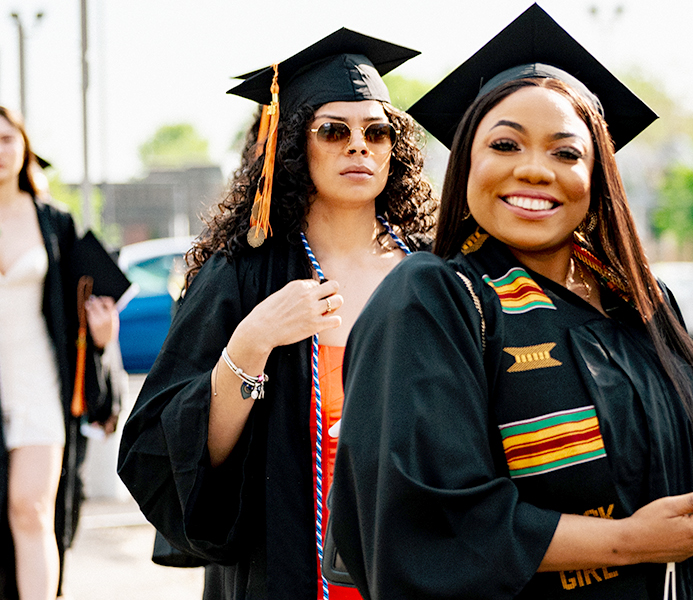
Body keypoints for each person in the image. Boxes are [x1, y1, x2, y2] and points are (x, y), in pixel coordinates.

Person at [329, 6, 693, 599]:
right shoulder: (436, 301)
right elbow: (428, 523)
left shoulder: (647, 307)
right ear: (468, 162)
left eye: (566, 152)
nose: (534, 170)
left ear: (598, 174)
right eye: (505, 144)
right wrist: (631, 541)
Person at [117, 29, 433, 600]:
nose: (357, 146)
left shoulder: (432, 272)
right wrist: (250, 344)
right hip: (289, 564)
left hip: (417, 560)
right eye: (333, 131)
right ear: (293, 145)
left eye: (376, 132)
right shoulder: (242, 273)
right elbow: (170, 454)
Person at [0, 108, 122, 600]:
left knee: (30, 508)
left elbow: (82, 302)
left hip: (38, 382)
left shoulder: (53, 222)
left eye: (7, 138)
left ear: (24, 146)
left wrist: (100, 334)